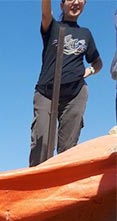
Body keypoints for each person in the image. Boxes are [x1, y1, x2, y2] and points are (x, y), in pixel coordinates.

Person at [29, 0, 102, 167]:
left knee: (68, 149)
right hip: (46, 92)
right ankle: (37, 184)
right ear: (62, 5)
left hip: (75, 93)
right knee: (42, 144)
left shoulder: (86, 34)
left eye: (80, 0)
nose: (76, 2)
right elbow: (45, 13)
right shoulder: (53, 27)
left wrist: (89, 71)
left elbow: (98, 62)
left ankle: (62, 185)